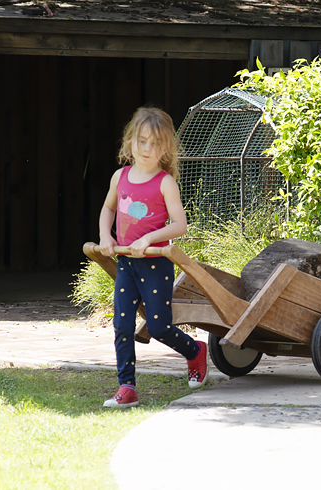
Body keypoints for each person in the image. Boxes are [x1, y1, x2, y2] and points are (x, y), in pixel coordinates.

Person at [98, 106, 209, 407]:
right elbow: (109, 208)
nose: (147, 149)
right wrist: (106, 236)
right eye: (142, 140)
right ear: (130, 140)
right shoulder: (119, 177)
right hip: (126, 263)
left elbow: (180, 225)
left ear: (165, 149)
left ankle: (195, 352)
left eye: (155, 143)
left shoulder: (164, 182)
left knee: (158, 326)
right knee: (122, 324)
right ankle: (127, 386)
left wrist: (148, 238)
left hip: (156, 263)